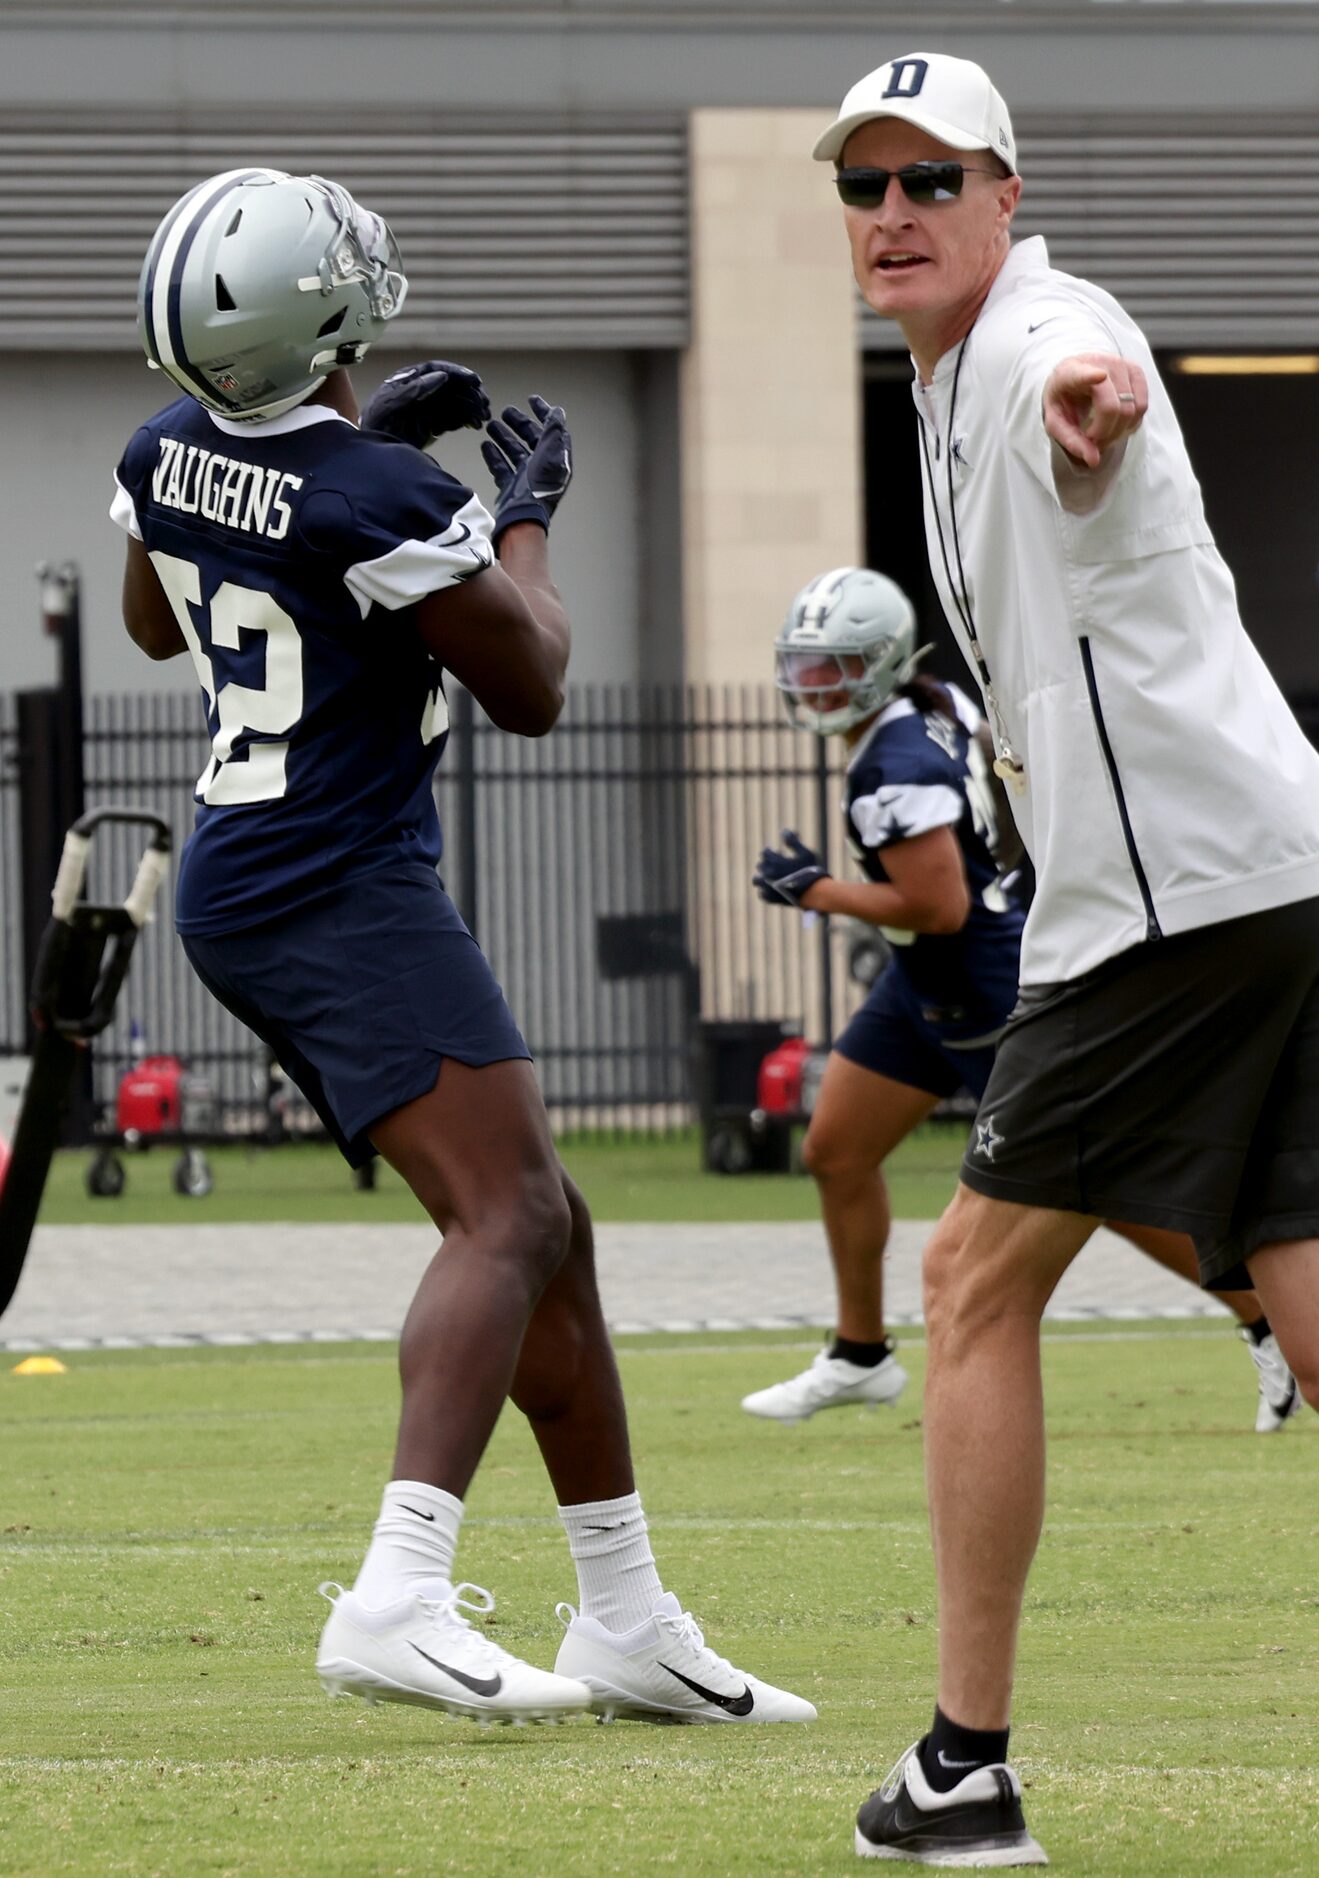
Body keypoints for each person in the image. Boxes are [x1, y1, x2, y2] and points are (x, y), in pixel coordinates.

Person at [112, 166, 815, 1729]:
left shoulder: (163, 447)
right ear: (317, 315)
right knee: (505, 1216)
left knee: (547, 1221)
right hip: (336, 875)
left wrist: (355, 448)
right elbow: (535, 681)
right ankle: (399, 1588)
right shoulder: (390, 499)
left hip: (257, 862)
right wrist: (521, 510)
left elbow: (162, 621)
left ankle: (626, 1614)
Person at [808, 53, 1319, 1864]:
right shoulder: (942, 378)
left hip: (1164, 896)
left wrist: (1095, 405)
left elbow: (1079, 385)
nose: (890, 216)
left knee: (965, 1282)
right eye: (862, 188)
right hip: (1248, 870)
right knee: (1298, 1293)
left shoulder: (1040, 334)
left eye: (928, 181)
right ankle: (959, 1769)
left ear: (1003, 197)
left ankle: (961, 1767)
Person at [742, 567, 1300, 1437]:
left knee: (1093, 1191)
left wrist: (816, 891)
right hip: (920, 981)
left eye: (835, 666)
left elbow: (937, 905)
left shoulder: (894, 765)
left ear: (882, 664)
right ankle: (860, 1355)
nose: (814, 686)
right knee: (835, 1148)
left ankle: (1262, 1316)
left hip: (976, 980)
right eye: (806, 667)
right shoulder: (934, 710)